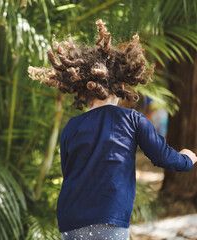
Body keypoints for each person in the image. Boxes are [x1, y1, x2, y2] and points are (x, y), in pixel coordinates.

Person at [28, 19, 197, 240]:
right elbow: (163, 157)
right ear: (122, 85)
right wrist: (187, 159)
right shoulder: (133, 120)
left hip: (70, 220)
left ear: (81, 89)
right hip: (109, 217)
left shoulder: (71, 128)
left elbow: (70, 172)